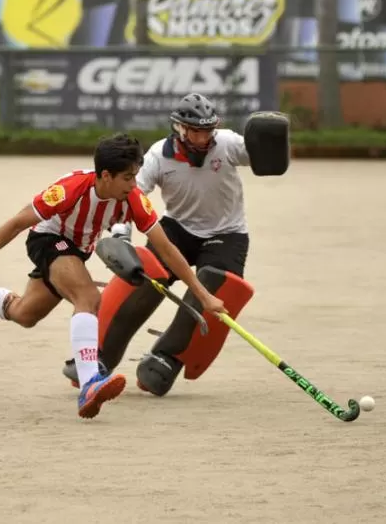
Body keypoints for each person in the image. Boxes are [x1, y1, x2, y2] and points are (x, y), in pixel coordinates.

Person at [0, 133, 227, 420]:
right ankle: (89, 383)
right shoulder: (69, 189)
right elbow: (16, 223)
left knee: (25, 314)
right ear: (105, 176)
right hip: (48, 240)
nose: (133, 184)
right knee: (88, 297)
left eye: (135, 176)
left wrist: (203, 295)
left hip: (77, 250)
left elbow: (167, 249)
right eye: (127, 177)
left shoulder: (133, 199)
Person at [61, 93, 257, 394]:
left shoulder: (228, 143)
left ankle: (167, 357)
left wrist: (269, 141)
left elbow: (259, 154)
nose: (203, 138)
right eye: (195, 131)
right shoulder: (158, 156)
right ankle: (100, 357)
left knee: (215, 288)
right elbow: (127, 195)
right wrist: (120, 235)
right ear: (179, 129)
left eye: (207, 130)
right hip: (177, 228)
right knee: (144, 278)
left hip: (227, 233)